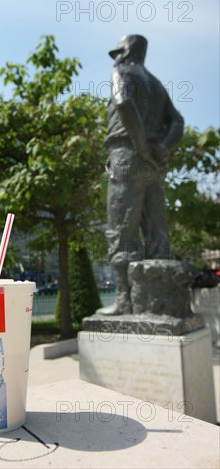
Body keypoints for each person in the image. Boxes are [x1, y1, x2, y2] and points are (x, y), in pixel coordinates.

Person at [98, 35, 184, 315]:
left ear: (125, 51)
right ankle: (160, 303)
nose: (116, 59)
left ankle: (125, 300)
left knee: (122, 228)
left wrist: (141, 147)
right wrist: (162, 147)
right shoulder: (156, 84)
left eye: (118, 53)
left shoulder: (121, 72)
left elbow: (123, 103)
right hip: (153, 165)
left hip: (126, 154)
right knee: (155, 227)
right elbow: (177, 121)